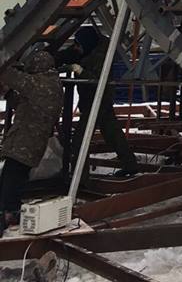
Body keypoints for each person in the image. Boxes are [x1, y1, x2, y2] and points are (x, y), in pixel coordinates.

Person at [59, 25, 138, 179]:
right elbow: (70, 53)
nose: (76, 49)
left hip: (97, 101)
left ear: (87, 45)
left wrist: (80, 71)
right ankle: (130, 165)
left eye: (78, 46)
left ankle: (79, 178)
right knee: (113, 134)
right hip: (96, 100)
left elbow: (98, 80)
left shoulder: (101, 57)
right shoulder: (91, 48)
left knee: (80, 141)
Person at [0, 49, 62, 234]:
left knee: (11, 180)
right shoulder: (52, 84)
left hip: (24, 142)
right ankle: (8, 212)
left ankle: (8, 215)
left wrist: (5, 59)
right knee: (11, 178)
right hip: (32, 142)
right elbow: (27, 103)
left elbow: (8, 74)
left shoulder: (38, 83)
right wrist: (9, 95)